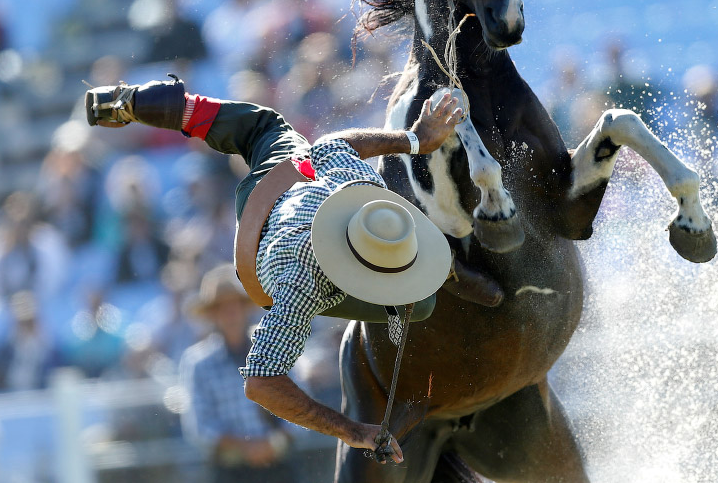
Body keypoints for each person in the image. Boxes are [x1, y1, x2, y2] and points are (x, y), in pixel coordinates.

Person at [85, 76, 460, 462]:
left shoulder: (356, 179)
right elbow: (260, 382)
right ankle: (141, 103)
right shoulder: (303, 283)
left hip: (286, 177)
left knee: (263, 121)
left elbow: (340, 144)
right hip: (270, 249)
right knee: (425, 303)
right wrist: (350, 430)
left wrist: (414, 140)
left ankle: (135, 101)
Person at [180, 265, 296, 482]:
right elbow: (199, 427)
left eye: (235, 305)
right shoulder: (198, 363)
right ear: (213, 315)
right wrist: (247, 447)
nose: (230, 313)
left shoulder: (273, 350)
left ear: (245, 309)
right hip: (230, 470)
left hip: (279, 465)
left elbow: (302, 407)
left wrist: (273, 443)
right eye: (222, 307)